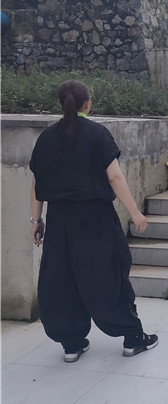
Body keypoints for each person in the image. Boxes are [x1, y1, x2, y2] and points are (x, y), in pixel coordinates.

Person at [29, 79, 158, 363]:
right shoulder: (98, 135)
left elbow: (37, 184)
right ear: (88, 103)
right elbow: (114, 177)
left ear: (60, 104)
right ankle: (132, 338)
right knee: (108, 276)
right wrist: (135, 213)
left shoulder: (46, 139)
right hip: (96, 221)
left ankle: (72, 343)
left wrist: (36, 220)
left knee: (63, 280)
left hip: (60, 222)